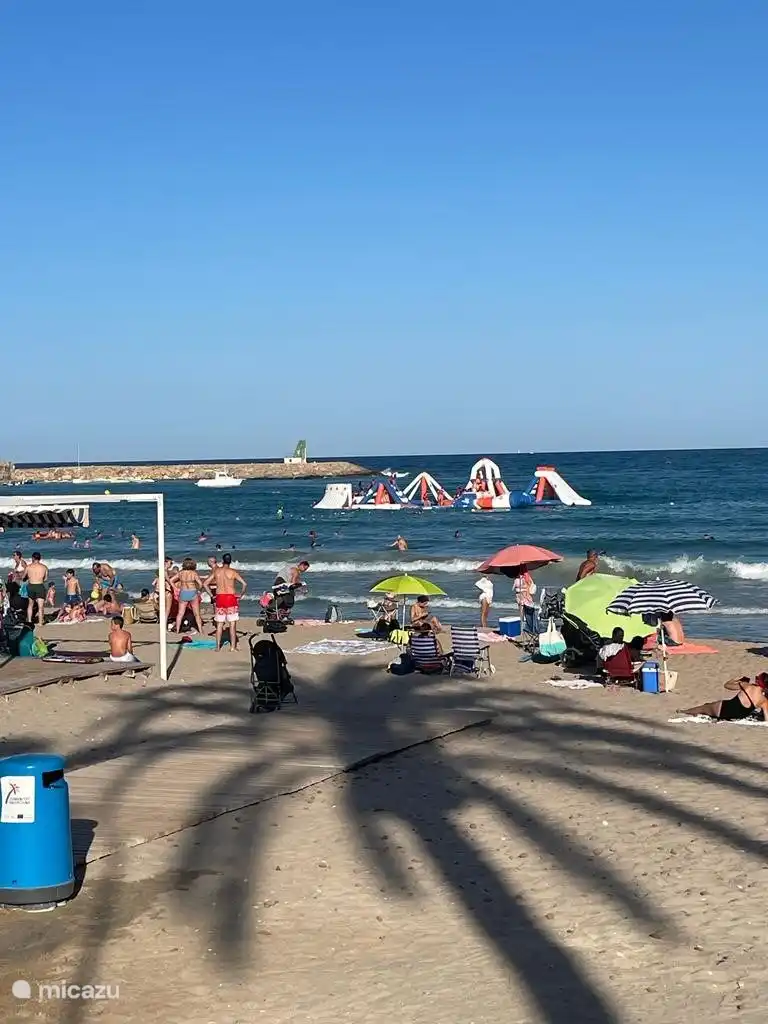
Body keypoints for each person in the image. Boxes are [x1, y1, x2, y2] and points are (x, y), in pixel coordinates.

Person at [682, 674, 768, 723]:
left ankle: (684, 711)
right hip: (737, 716)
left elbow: (727, 685)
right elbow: (766, 720)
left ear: (757, 681)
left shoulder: (746, 685)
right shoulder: (764, 701)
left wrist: (737, 680)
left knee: (703, 708)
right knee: (707, 707)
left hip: (723, 709)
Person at [204, 553, 247, 651]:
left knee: (219, 624)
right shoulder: (232, 572)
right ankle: (232, 647)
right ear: (230, 561)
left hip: (220, 597)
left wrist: (212, 595)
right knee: (232, 623)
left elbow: (205, 583)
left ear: (222, 561)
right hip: (230, 598)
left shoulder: (217, 571)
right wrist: (241, 595)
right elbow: (244, 584)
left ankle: (217, 647)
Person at [170, 558, 205, 634]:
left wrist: (175, 588)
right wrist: (198, 589)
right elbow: (200, 583)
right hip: (192, 592)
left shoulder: (181, 573)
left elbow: (171, 580)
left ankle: (178, 630)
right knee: (197, 614)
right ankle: (201, 630)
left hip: (183, 592)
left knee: (180, 613)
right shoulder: (193, 573)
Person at [25, 552, 48, 626]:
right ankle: (40, 622)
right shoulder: (44, 567)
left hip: (31, 585)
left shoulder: (28, 567)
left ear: (33, 558)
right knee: (40, 606)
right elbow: (45, 579)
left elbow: (23, 577)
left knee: (30, 604)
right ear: (40, 558)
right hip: (39, 586)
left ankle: (29, 621)